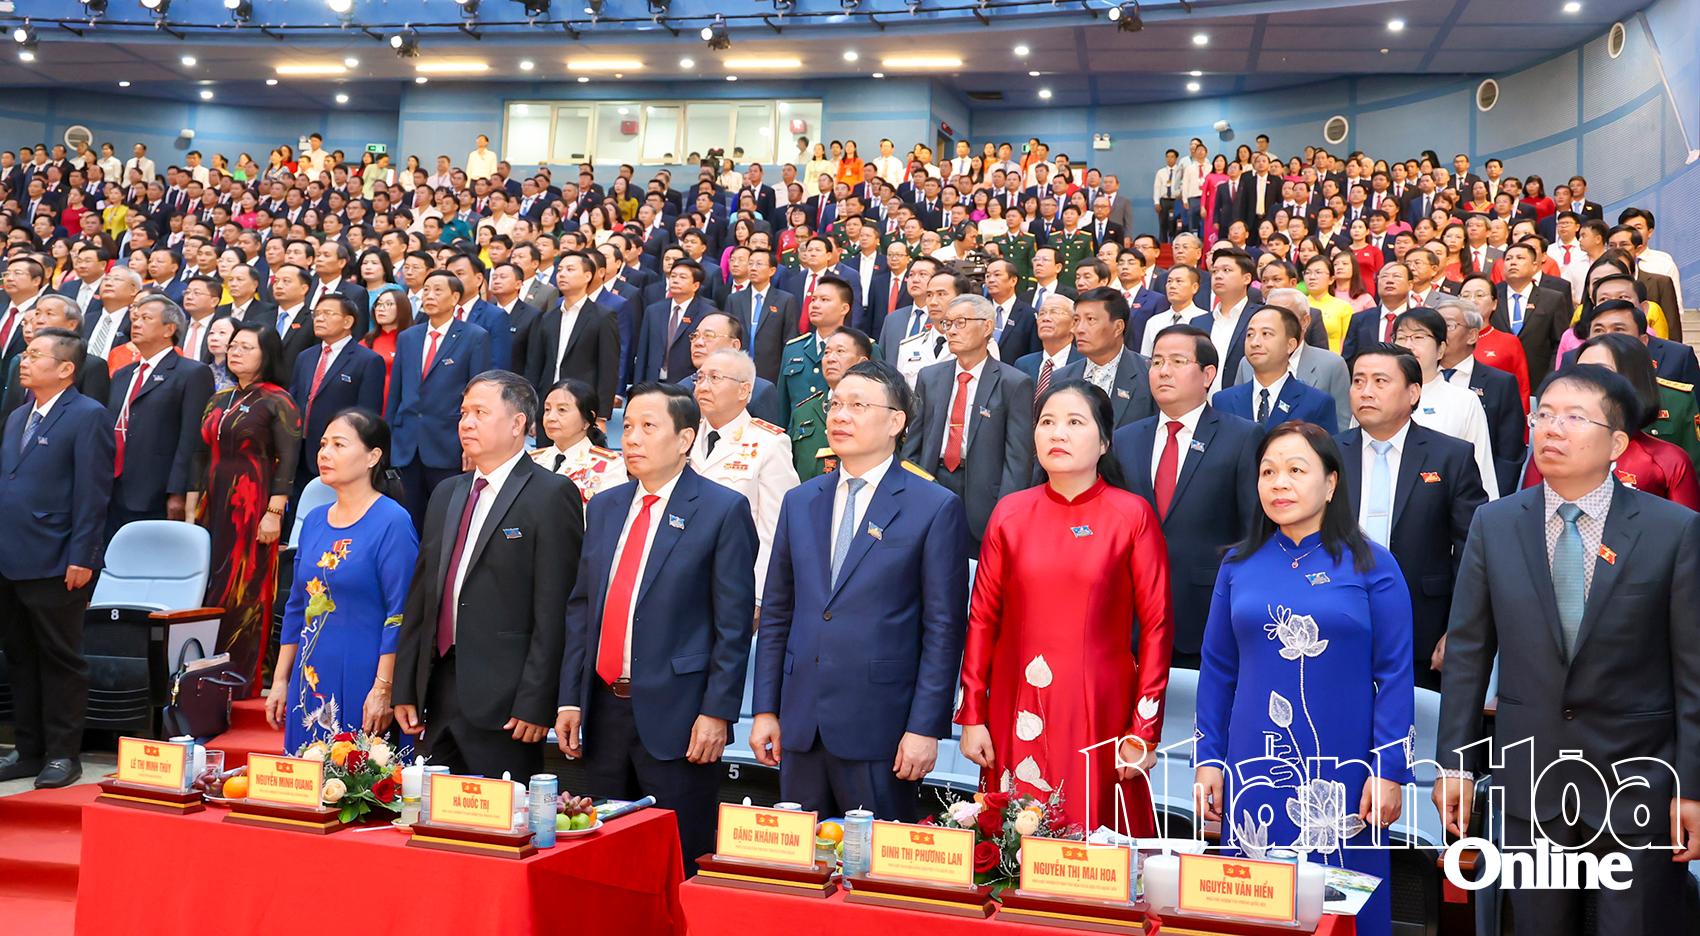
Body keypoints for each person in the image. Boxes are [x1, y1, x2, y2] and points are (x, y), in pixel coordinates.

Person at [1435, 364, 1700, 935]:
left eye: (1575, 417)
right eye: (1544, 414)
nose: (1552, 428)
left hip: (1639, 783)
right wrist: (1455, 766)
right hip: (1531, 780)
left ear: (1617, 444)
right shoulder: (1494, 524)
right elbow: (1468, 656)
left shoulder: (1673, 530)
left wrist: (1692, 787)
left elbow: (1693, 673)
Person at [1194, 422, 1414, 936]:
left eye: (1296, 470)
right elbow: (1218, 669)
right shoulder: (1238, 565)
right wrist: (1208, 759)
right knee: (1255, 904)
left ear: (1331, 482)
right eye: (1268, 472)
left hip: (1347, 772)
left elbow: (1395, 674)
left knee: (1342, 904)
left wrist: (1389, 769)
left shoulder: (1372, 565)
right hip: (1253, 764)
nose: (1279, 483)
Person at [752, 359, 970, 823]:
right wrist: (765, 709)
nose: (840, 416)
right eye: (836, 405)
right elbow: (777, 614)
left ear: (895, 422)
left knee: (873, 861)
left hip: (882, 730)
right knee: (799, 860)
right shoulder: (800, 501)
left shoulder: (933, 506)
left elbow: (943, 630)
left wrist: (924, 727)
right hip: (800, 725)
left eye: (857, 405)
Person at [959, 380, 1174, 833]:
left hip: (1099, 706)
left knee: (1091, 838)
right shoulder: (1010, 513)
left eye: (1075, 422)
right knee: (1012, 840)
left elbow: (1157, 627)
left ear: (1104, 442)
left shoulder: (1131, 515)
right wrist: (973, 715)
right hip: (1016, 701)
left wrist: (1143, 730)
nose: (1057, 433)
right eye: (1047, 422)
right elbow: (981, 620)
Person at [557, 383, 757, 869]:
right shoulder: (605, 507)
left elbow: (733, 628)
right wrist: (570, 698)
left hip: (680, 719)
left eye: (648, 427)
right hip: (603, 712)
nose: (632, 438)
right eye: (627, 427)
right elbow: (583, 610)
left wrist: (717, 712)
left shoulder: (722, 510)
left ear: (685, 439)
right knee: (604, 861)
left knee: (677, 860)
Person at [395, 371, 583, 779]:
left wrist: (537, 701)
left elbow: (555, 609)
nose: (466, 423)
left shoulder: (551, 494)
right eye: (463, 413)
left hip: (508, 703)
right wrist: (406, 685)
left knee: (500, 813)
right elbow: (422, 597)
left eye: (480, 413)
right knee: (433, 811)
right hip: (439, 689)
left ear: (518, 424)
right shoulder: (447, 492)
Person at [1334, 344, 1487, 690]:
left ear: (1413, 392)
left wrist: (1458, 628)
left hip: (1423, 629)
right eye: (1358, 381)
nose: (1366, 391)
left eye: (1380, 381)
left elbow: (1473, 550)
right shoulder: (1328, 454)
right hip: (1336, 622)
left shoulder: (1451, 456)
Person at [0, 328, 113, 788]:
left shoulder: (88, 415)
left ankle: (64, 755)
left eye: (34, 355)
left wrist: (83, 555)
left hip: (57, 557)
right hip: (10, 556)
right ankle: (28, 750)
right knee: (19, 657)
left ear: (66, 368)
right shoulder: (17, 415)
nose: (23, 362)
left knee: (60, 659)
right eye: (24, 354)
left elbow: (93, 493)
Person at [267, 409, 419, 753]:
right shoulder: (315, 520)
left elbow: (400, 614)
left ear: (373, 456)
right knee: (307, 774)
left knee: (357, 773)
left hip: (366, 675)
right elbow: (296, 607)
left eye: (339, 444)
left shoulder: (392, 522)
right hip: (310, 676)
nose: (324, 453)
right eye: (323, 444)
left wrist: (384, 687)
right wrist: (280, 680)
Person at [1112, 324, 1259, 668]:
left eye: (1177, 361)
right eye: (1156, 362)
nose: (1163, 371)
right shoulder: (1125, 439)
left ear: (1208, 375)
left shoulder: (1242, 437)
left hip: (1206, 613)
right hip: (1131, 618)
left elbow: (1252, 531)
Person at [186, 321, 301, 695]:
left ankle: (242, 678)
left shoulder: (278, 400)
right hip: (213, 500)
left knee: (245, 587)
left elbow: (288, 460)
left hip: (252, 502)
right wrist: (191, 508)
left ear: (266, 355)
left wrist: (274, 511)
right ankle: (205, 673)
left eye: (246, 347)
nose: (235, 351)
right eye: (233, 345)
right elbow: (199, 454)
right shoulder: (219, 398)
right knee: (211, 584)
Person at [904, 293, 1034, 547]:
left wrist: (1006, 512)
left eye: (960, 322)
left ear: (987, 326)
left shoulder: (1013, 382)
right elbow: (914, 443)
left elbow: (1018, 459)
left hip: (983, 493)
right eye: (947, 323)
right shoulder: (930, 377)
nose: (951, 331)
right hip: (933, 482)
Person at [1524, 333, 1700, 510]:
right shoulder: (1552, 450)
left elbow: (1685, 524)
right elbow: (1526, 515)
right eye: (1579, 373)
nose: (1584, 384)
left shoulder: (1667, 460)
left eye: (1601, 373)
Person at [689, 347, 798, 600]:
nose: (702, 387)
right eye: (699, 377)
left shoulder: (770, 444)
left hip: (733, 583)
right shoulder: (684, 438)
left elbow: (775, 529)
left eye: (714, 378)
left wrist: (758, 594)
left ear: (744, 390)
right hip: (682, 580)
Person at [387, 270, 492, 527]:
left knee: (444, 521)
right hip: (407, 443)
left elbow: (479, 394)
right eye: (426, 290)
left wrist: (472, 445)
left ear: (455, 297)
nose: (429, 296)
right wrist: (389, 438)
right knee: (406, 517)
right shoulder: (408, 337)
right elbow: (396, 393)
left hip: (448, 443)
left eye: (437, 290)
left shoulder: (474, 336)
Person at [106, 294, 214, 536]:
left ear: (169, 329)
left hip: (155, 488)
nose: (136, 323)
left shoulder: (192, 373)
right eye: (135, 318)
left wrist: (178, 491)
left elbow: (191, 439)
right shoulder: (123, 374)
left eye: (146, 318)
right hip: (111, 484)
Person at [1389, 308, 1502, 499]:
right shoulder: (1376, 397)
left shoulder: (1464, 401)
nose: (1408, 345)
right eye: (1401, 337)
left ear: (1441, 349)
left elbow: (1482, 470)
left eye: (1418, 337)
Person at [290, 294, 387, 501]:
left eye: (327, 313)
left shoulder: (368, 360)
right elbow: (295, 400)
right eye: (317, 314)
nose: (319, 318)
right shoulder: (305, 357)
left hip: (339, 456)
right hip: (299, 452)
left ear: (348, 321)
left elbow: (367, 415)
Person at [1431, 295, 1527, 496]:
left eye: (1448, 325)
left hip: (1478, 491)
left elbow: (1509, 454)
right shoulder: (1418, 380)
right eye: (1435, 326)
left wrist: (1493, 502)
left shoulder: (1500, 383)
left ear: (1472, 335)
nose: (1438, 333)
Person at [1214, 304, 1338, 433]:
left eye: (1266, 334)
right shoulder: (1223, 401)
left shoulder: (1316, 403)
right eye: (1250, 334)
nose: (1255, 342)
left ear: (1290, 345)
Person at [1054, 287, 1156, 428]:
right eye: (1076, 320)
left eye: (1090, 319)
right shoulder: (1061, 378)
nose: (1079, 329)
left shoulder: (1149, 374)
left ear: (1118, 327)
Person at [790, 327, 873, 482]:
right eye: (826, 352)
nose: (830, 359)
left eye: (840, 351)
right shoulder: (803, 412)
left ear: (862, 363)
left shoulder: (875, 410)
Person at [530, 377, 626, 504]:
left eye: (562, 410)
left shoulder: (610, 465)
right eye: (547, 409)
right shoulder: (531, 461)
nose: (551, 417)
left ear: (587, 420)